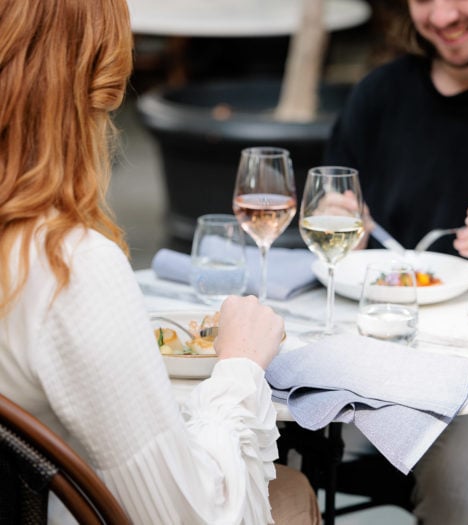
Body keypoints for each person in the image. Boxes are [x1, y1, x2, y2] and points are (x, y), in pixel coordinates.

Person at [0, 1, 321, 524]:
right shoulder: (67, 266)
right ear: (96, 86)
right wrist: (239, 364)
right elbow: (187, 516)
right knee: (290, 490)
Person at [325, 0, 468, 523]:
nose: (443, 17)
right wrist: (339, 227)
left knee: (462, 496)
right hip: (372, 364)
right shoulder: (381, 93)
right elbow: (334, 211)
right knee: (256, 446)